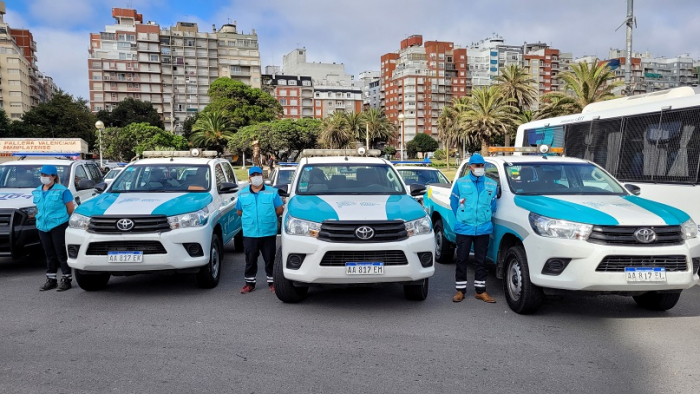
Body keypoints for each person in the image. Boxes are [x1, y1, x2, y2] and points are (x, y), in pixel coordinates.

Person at [449, 154, 498, 303]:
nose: (479, 168)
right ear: (470, 166)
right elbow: (454, 203)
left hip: (483, 228)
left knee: (481, 261)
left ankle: (480, 291)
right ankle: (460, 291)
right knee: (462, 259)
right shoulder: (460, 183)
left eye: (482, 165)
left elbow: (493, 205)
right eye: (476, 165)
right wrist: (463, 217)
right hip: (464, 227)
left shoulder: (492, 184)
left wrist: (483, 216)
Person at [235, 166, 284, 294]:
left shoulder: (272, 192)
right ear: (249, 178)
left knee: (270, 259)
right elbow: (239, 212)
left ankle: (273, 283)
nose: (256, 177)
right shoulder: (242, 193)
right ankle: (249, 284)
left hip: (268, 231)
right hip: (250, 232)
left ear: (262, 176)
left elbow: (280, 210)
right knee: (250, 259)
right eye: (253, 175)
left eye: (258, 174)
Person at [32, 165, 75, 292]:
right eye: (42, 175)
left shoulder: (62, 191)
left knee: (61, 254)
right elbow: (39, 208)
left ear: (54, 176)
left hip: (58, 225)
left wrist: (61, 220)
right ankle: (51, 280)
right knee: (49, 254)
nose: (43, 177)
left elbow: (70, 209)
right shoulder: (38, 190)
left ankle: (66, 279)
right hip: (42, 226)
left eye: (46, 175)